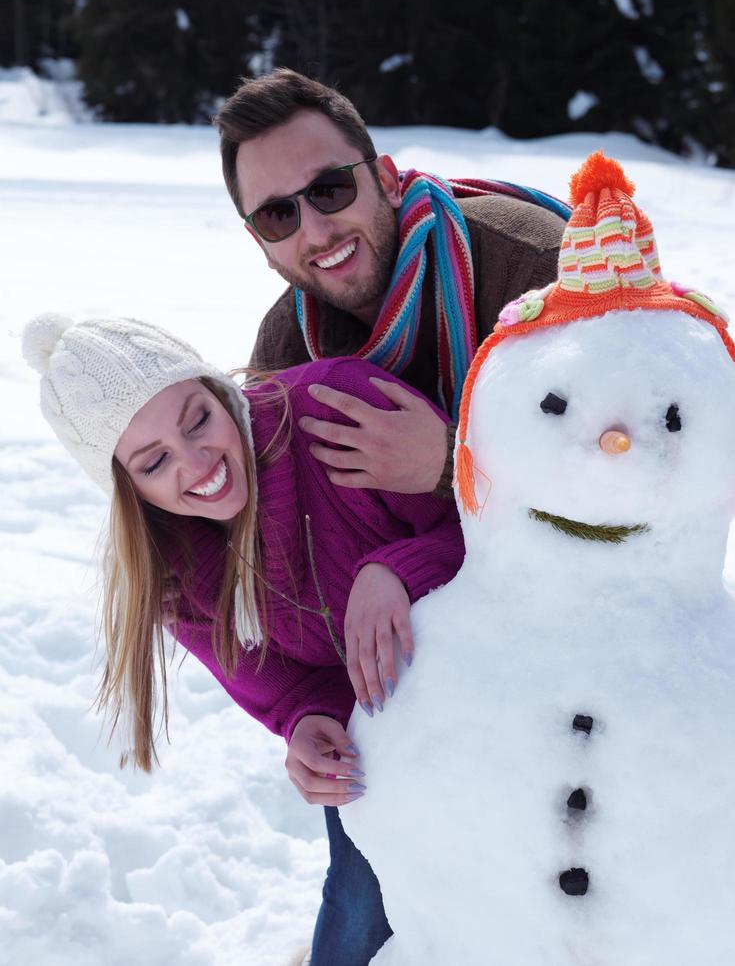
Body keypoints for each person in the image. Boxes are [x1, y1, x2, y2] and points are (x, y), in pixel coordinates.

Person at [22, 313, 465, 965]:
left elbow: (509, 529)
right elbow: (280, 682)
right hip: (393, 740)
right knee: (361, 898)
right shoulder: (172, 565)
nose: (197, 463)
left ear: (215, 387)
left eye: (197, 418)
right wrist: (307, 721)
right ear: (127, 488)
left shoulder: (332, 413)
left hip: (511, 694)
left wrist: (396, 568)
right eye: (154, 461)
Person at [213, 67, 569, 500]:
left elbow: (642, 460)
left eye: (330, 189)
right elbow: (267, 511)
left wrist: (450, 461)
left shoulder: (530, 264)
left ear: (386, 180)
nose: (318, 233)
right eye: (278, 216)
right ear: (261, 244)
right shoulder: (284, 347)